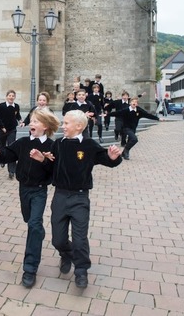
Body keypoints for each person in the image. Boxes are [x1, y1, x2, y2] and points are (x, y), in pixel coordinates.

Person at [30, 110, 122, 288]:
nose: (63, 126)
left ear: (79, 126)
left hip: (80, 198)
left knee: (80, 239)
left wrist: (113, 158)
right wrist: (43, 159)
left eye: (66, 123)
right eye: (63, 123)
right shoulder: (58, 144)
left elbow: (107, 160)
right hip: (60, 197)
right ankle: (66, 254)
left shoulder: (89, 145)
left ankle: (81, 270)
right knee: (58, 239)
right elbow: (51, 167)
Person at [0, 109, 61, 288]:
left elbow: (53, 171)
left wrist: (43, 159)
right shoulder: (24, 142)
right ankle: (38, 232)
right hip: (23, 189)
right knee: (30, 221)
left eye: (36, 121)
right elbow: (9, 154)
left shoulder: (52, 146)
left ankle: (30, 268)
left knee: (33, 224)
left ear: (46, 126)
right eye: (31, 121)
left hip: (39, 190)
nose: (31, 124)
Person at [0, 90, 22, 179]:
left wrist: (21, 120)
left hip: (12, 129)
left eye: (13, 96)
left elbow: (17, 115)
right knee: (2, 145)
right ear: (6, 97)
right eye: (9, 95)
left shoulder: (16, 106)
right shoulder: (0, 106)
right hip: (2, 129)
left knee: (11, 148)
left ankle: (11, 171)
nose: (11, 97)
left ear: (14, 97)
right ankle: (2, 159)